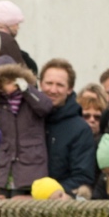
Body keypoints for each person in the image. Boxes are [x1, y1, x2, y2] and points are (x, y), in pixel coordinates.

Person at [0, 58, 52, 199]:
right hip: (6, 164)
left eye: (10, 80)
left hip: (31, 163)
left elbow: (45, 107)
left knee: (22, 205)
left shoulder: (30, 98)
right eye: (2, 82)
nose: (7, 85)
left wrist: (28, 90)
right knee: (1, 203)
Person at [37, 59, 95, 199]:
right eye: (49, 83)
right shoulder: (27, 120)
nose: (53, 90)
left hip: (60, 204)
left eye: (60, 85)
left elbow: (83, 176)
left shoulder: (80, 129)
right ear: (40, 84)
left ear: (69, 89)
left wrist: (49, 193)